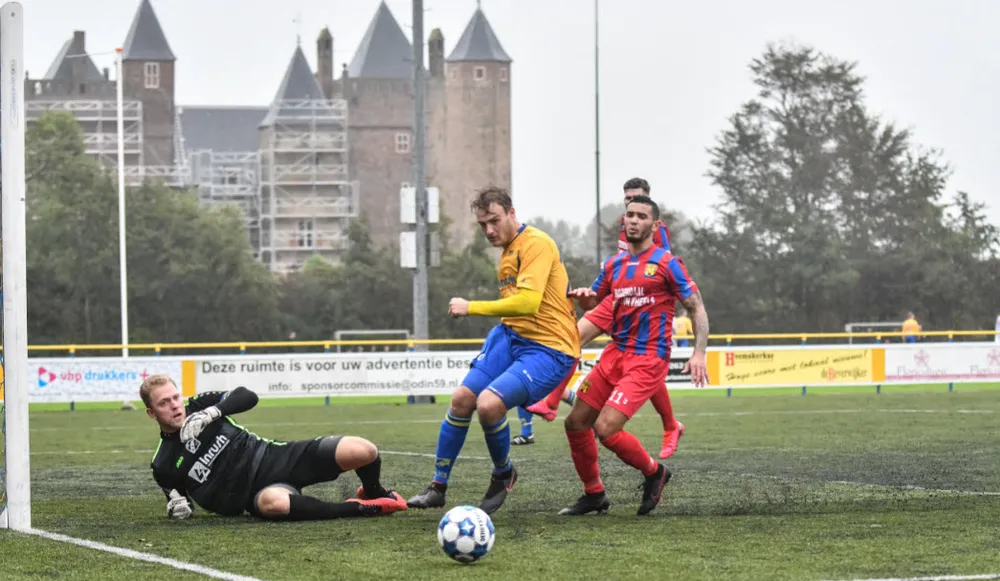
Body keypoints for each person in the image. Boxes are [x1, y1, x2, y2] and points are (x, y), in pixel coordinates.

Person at [406, 186, 581, 514]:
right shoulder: (508, 251)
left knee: (488, 405)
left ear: (512, 214)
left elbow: (528, 303)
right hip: (511, 337)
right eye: (482, 224)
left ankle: (503, 473)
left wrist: (470, 306)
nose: (488, 230)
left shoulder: (536, 244)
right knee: (462, 399)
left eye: (494, 220)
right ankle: (437, 487)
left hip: (549, 348)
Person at [559, 195, 710, 516]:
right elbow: (595, 302)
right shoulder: (613, 265)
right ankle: (594, 494)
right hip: (616, 353)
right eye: (630, 215)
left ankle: (655, 472)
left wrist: (699, 352)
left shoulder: (668, 263)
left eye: (642, 216)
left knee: (605, 428)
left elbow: (696, 307)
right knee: (575, 423)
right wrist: (585, 299)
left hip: (648, 359)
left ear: (655, 226)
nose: (634, 220)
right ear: (623, 220)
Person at [526, 177, 686, 460]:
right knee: (572, 337)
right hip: (617, 295)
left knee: (644, 359)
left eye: (636, 198)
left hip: (637, 300)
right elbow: (625, 261)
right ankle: (551, 402)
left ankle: (670, 424)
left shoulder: (656, 230)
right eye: (627, 199)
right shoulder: (626, 228)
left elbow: (656, 265)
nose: (630, 204)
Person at [142, 374, 407, 521]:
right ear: (151, 413)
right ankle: (356, 508)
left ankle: (373, 491)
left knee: (364, 450)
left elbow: (248, 396)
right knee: (275, 504)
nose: (175, 405)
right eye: (164, 403)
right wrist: (178, 509)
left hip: (275, 456)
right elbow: (179, 504)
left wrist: (213, 412)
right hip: (254, 494)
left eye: (175, 397)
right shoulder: (162, 463)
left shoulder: (200, 406)